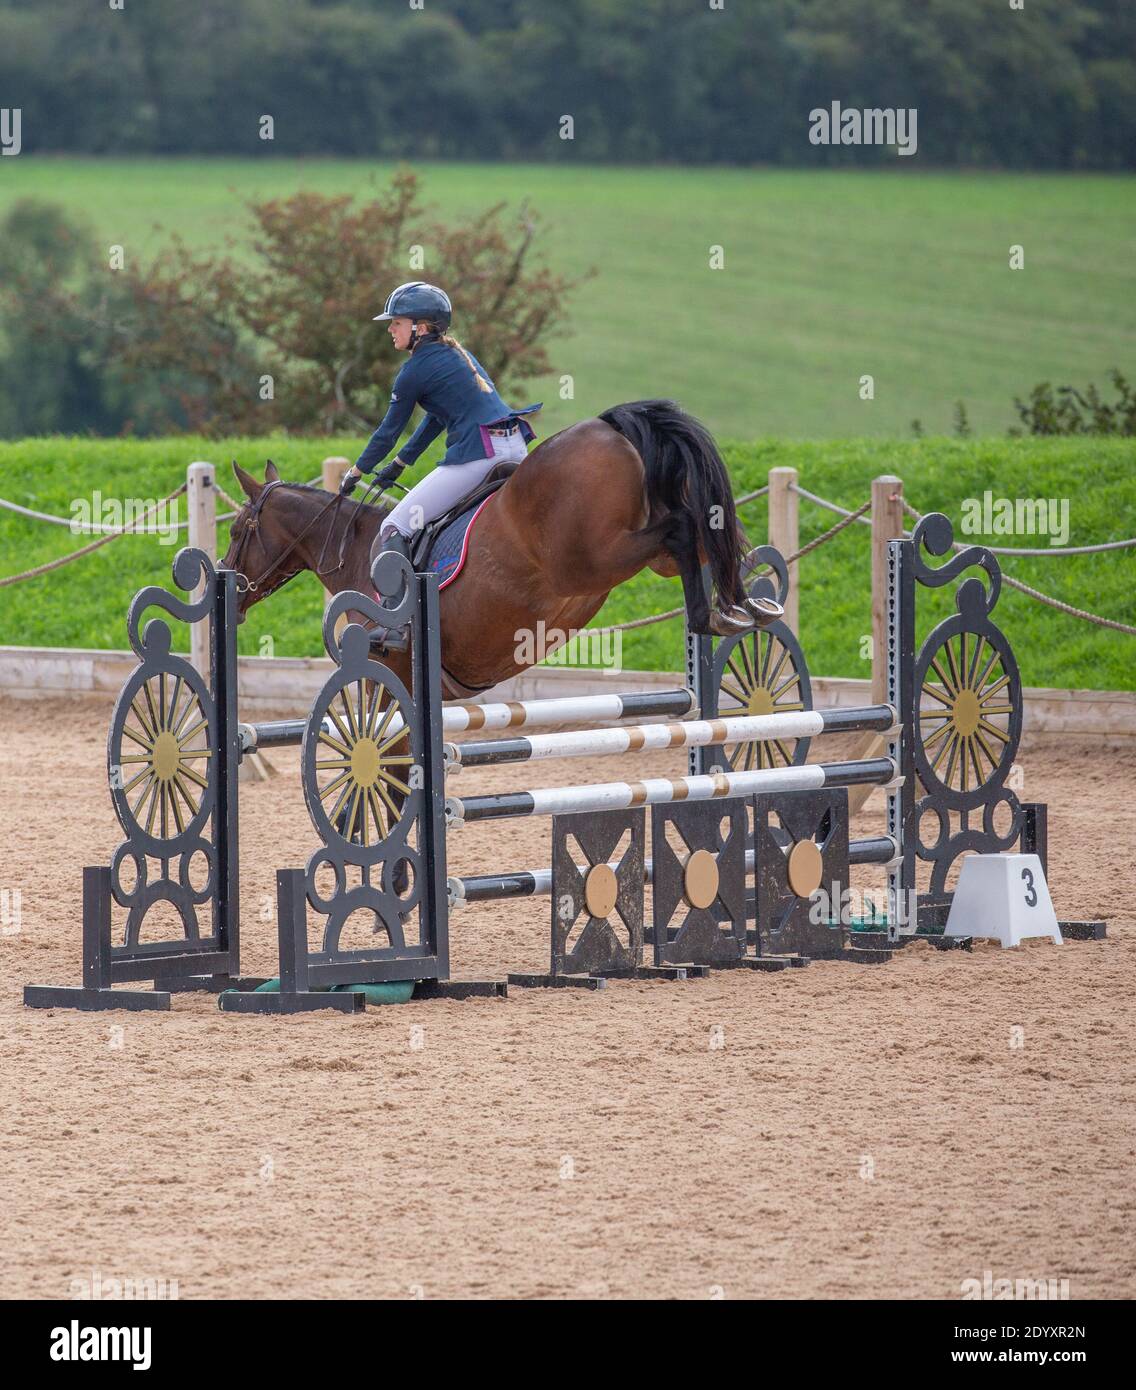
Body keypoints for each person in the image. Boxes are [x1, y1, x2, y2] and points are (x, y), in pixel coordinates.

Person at [340, 282, 541, 570]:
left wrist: (355, 473)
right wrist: (399, 463)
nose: (390, 329)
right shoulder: (458, 355)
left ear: (419, 328)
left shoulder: (413, 372)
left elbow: (387, 433)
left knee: (394, 527)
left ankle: (399, 611)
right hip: (516, 447)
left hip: (480, 454)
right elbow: (435, 419)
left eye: (397, 323)